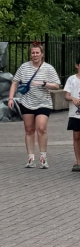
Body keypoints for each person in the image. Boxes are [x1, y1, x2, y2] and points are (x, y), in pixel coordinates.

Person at [9, 41, 61, 169]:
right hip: (27, 102)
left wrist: (44, 83)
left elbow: (56, 85)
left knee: (41, 128)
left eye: (37, 52)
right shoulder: (24, 67)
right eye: (33, 53)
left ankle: (43, 157)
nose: (35, 55)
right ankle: (31, 158)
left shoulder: (48, 68)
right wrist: (10, 98)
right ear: (30, 55)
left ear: (42, 54)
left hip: (43, 101)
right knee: (29, 129)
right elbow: (15, 82)